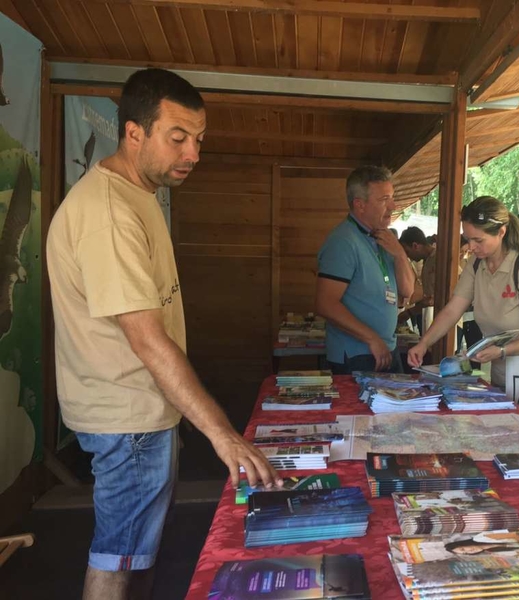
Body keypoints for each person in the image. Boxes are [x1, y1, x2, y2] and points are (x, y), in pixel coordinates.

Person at [46, 68, 283, 600]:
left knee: (137, 550)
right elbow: (147, 338)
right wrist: (222, 434)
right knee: (118, 556)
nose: (192, 153)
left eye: (198, 139)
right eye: (177, 138)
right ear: (134, 133)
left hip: (142, 409)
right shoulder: (108, 211)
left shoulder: (138, 193)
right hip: (126, 414)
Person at [407, 196, 519, 386]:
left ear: (501, 232)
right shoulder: (476, 264)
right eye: (468, 239)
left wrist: (503, 350)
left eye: (478, 240)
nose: (471, 247)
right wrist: (424, 343)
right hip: (501, 371)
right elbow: (453, 310)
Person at [315, 166, 415, 374]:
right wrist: (372, 339)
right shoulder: (343, 241)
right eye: (384, 200)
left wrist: (400, 254)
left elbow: (407, 291)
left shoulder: (382, 237)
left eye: (392, 197)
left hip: (385, 348)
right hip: (357, 354)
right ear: (360, 205)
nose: (393, 206)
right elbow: (325, 304)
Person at [399, 227, 436, 332]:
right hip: (428, 315)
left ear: (415, 246)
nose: (408, 256)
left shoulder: (440, 258)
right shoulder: (426, 261)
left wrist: (410, 312)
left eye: (407, 251)